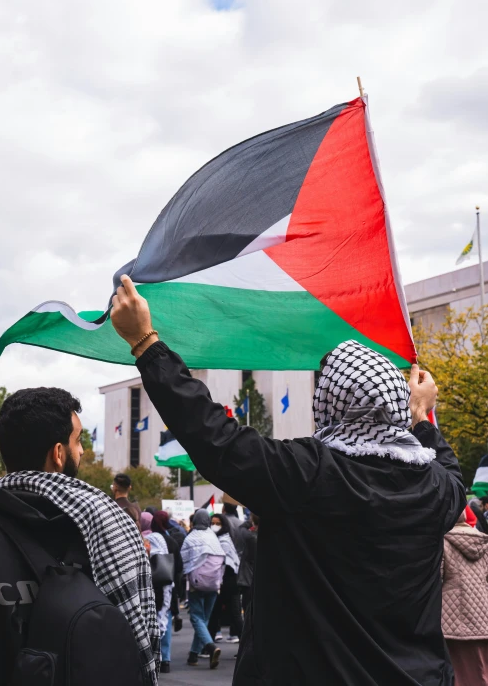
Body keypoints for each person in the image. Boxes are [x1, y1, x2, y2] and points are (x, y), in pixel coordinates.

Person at [110, 275, 466, 686]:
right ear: (396, 408)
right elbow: (450, 471)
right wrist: (421, 419)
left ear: (328, 402)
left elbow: (214, 437)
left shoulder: (307, 474)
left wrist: (146, 344)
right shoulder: (435, 488)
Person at [0, 384, 159, 685]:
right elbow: (135, 638)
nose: (82, 450)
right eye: (78, 440)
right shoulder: (104, 530)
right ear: (58, 454)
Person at [442, 510, 488, 684]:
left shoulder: (443, 542)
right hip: (483, 617)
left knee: (460, 673)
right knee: (482, 669)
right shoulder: (484, 541)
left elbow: (436, 579)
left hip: (453, 618)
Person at [180, 509, 224, 669]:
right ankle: (193, 654)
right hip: (213, 584)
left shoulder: (190, 538)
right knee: (204, 619)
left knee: (196, 618)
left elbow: (184, 560)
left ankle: (210, 646)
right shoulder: (213, 537)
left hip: (196, 584)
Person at [151, 511, 185, 673]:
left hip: (151, 585)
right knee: (166, 618)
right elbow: (179, 567)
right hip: (168, 586)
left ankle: (152, 657)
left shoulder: (147, 540)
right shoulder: (171, 541)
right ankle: (165, 659)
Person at [208, 513, 243, 644]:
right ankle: (209, 645)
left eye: (218, 524)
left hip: (228, 581)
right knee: (217, 613)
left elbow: (228, 563)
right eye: (212, 523)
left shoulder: (224, 540)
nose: (214, 526)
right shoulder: (218, 539)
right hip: (223, 581)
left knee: (233, 614)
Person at [237, 513, 259, 613]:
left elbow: (240, 530)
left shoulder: (252, 538)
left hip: (249, 580)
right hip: (255, 581)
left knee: (249, 612)